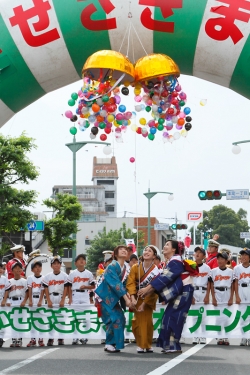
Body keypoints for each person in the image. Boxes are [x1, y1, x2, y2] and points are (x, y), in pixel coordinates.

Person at [138, 240, 195, 354]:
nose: (164, 246)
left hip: (183, 291)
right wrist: (148, 290)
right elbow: (163, 279)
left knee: (173, 317)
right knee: (169, 317)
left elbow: (164, 279)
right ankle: (170, 345)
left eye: (167, 245)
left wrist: (147, 288)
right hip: (181, 291)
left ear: (174, 249)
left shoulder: (176, 261)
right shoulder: (172, 261)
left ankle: (173, 345)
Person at [95, 245, 134, 353]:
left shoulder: (126, 268)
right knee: (115, 318)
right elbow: (116, 285)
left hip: (114, 297)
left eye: (125, 250)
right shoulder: (112, 266)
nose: (124, 251)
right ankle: (109, 343)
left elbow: (125, 285)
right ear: (115, 254)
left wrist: (130, 297)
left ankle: (113, 343)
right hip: (105, 296)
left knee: (120, 318)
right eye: (121, 250)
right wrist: (126, 300)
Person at [127, 245, 160, 353]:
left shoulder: (156, 271)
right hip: (136, 298)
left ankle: (147, 344)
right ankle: (141, 344)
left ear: (154, 256)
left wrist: (144, 303)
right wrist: (132, 298)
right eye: (145, 250)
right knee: (137, 323)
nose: (146, 252)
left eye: (149, 251)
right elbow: (130, 283)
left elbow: (155, 288)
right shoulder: (135, 267)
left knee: (148, 323)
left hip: (148, 300)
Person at [68, 254, 95, 345]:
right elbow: (68, 286)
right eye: (79, 259)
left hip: (85, 295)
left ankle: (85, 336)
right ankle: (75, 337)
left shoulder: (89, 273)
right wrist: (70, 298)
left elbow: (93, 285)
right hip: (75, 294)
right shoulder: (72, 274)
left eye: (83, 259)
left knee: (86, 317)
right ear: (75, 263)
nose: (82, 261)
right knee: (75, 317)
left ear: (85, 262)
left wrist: (86, 286)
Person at [43, 256, 68, 346]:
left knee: (61, 318)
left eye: (58, 263)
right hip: (51, 296)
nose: (56, 265)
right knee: (51, 318)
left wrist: (63, 299)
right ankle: (51, 338)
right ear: (51, 266)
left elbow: (66, 288)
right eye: (54, 264)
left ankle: (61, 338)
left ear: (60, 265)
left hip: (60, 296)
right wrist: (48, 300)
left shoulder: (65, 276)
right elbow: (45, 288)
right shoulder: (48, 276)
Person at [210, 251, 234, 345]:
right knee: (218, 316)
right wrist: (213, 297)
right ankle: (220, 337)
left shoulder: (231, 272)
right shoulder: (213, 271)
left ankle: (226, 337)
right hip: (217, 292)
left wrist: (231, 297)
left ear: (226, 260)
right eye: (218, 258)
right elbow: (211, 284)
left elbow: (233, 285)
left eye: (222, 258)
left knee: (226, 315)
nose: (220, 260)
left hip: (226, 292)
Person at [2, 262, 28, 347]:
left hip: (21, 301)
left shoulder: (24, 281)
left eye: (19, 268)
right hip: (12, 302)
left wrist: (24, 301)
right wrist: (7, 301)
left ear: (21, 270)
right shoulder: (9, 281)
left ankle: (19, 340)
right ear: (12, 270)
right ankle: (13, 340)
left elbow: (28, 292)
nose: (17, 269)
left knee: (20, 321)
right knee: (12, 321)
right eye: (15, 268)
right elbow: (7, 292)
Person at [192, 246, 211, 345]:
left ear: (204, 256)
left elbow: (209, 283)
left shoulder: (207, 268)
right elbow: (189, 281)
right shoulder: (191, 266)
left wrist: (208, 295)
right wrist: (191, 295)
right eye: (196, 252)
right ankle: (195, 335)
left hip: (203, 291)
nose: (197, 254)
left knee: (204, 315)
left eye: (200, 252)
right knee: (195, 315)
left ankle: (203, 336)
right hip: (194, 291)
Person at [26, 260, 45, 347]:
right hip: (33, 299)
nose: (37, 269)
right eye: (35, 267)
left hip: (40, 301)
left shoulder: (43, 278)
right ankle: (33, 339)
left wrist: (41, 300)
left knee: (41, 320)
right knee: (33, 320)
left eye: (39, 267)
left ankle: (41, 339)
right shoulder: (30, 278)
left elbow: (43, 290)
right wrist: (30, 300)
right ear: (32, 270)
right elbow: (29, 289)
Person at [234, 248, 250, 346]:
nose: (243, 257)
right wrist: (237, 296)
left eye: (245, 255)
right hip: (241, 289)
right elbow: (235, 282)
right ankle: (244, 337)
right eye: (242, 255)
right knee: (243, 315)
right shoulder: (237, 268)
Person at [0, 263, 11, 348]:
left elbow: (7, 290)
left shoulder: (4, 279)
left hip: (2, 302)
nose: (1, 269)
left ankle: (1, 338)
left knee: (3, 321)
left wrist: (4, 300)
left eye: (2, 268)